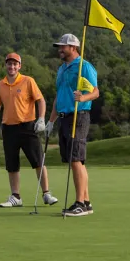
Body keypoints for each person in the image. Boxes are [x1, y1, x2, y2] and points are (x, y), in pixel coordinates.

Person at [0, 52, 57, 208]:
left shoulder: (28, 81)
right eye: (9, 64)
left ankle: (46, 194)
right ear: (5, 65)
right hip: (8, 128)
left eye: (14, 64)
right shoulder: (0, 85)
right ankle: (16, 196)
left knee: (38, 161)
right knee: (12, 164)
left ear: (19, 66)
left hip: (28, 126)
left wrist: (41, 119)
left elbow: (41, 100)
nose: (11, 66)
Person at [44, 34, 100, 217]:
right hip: (64, 117)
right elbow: (58, 96)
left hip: (79, 115)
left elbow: (95, 92)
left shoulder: (84, 66)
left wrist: (83, 97)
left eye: (63, 46)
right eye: (59, 46)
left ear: (73, 47)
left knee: (76, 160)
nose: (60, 49)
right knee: (75, 161)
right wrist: (50, 121)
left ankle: (80, 204)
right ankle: (87, 202)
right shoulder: (61, 69)